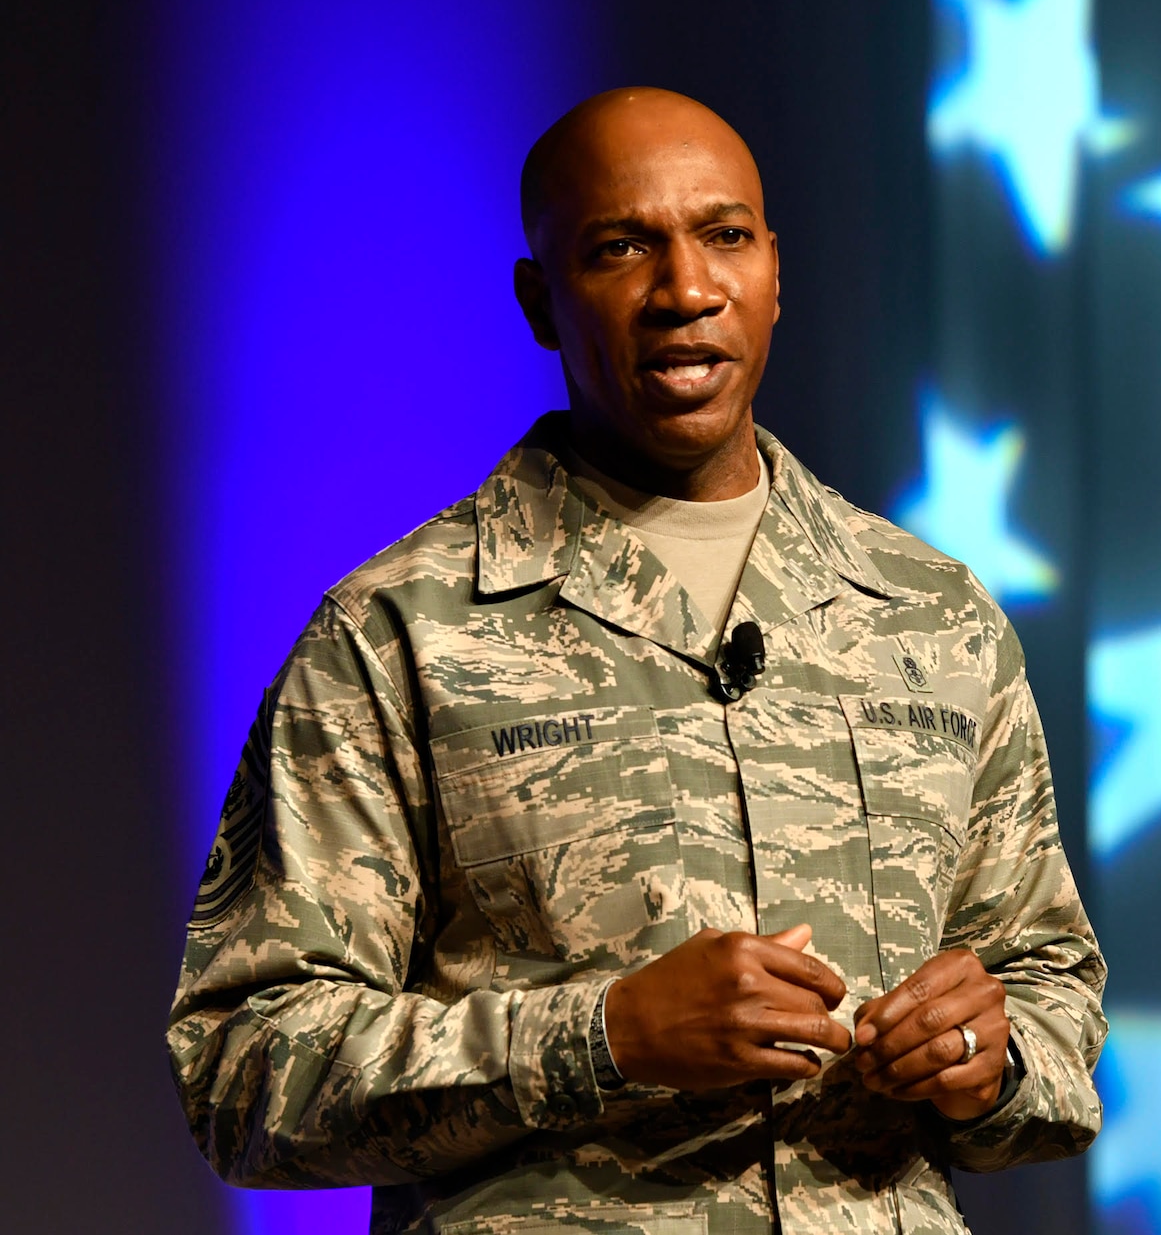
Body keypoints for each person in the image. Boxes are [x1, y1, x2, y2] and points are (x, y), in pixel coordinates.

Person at [168, 87, 1106, 1235]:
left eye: (723, 236)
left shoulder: (932, 615)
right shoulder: (398, 633)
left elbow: (1049, 993)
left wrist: (987, 1054)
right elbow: (245, 1072)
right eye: (620, 248)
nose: (685, 291)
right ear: (540, 303)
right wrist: (604, 1037)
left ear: (772, 271)